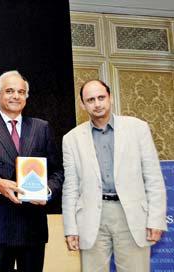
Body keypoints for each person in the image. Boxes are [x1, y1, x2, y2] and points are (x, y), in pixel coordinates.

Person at [0, 70, 64, 272]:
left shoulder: (41, 127)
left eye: (21, 91)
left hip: (33, 227)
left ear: (26, 97)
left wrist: (48, 191)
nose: (15, 96)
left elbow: (57, 171)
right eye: (9, 91)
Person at [62, 79, 167, 271]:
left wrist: (156, 219)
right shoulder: (71, 139)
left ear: (110, 98)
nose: (97, 103)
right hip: (91, 218)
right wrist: (71, 229)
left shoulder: (138, 128)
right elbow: (70, 188)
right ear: (83, 105)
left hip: (131, 216)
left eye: (101, 97)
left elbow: (153, 178)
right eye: (91, 99)